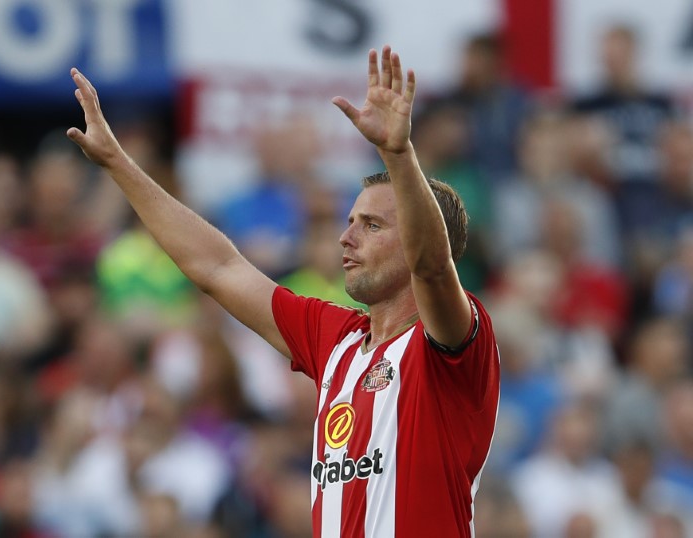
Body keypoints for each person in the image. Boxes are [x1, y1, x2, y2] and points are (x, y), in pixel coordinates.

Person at [67, 45, 500, 538]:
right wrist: (118, 163)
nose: (346, 237)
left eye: (373, 225)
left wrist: (399, 157)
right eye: (350, 221)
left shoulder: (455, 345)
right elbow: (218, 266)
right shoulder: (334, 340)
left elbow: (433, 268)